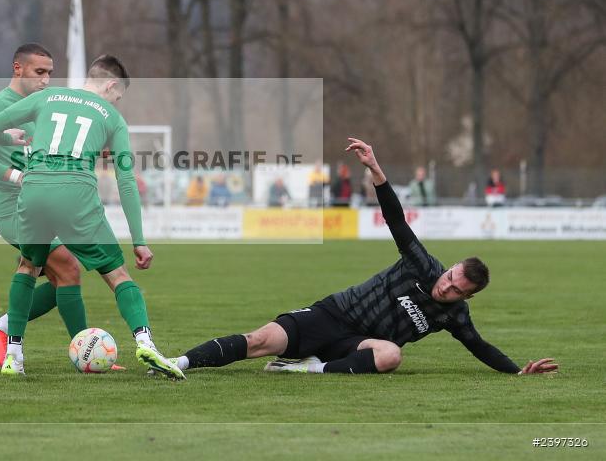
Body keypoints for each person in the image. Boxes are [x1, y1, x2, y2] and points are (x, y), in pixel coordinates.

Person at [171, 138, 557, 378]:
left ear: (466, 297)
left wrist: (517, 372)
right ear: (450, 266)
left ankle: (311, 369)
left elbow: (480, 346)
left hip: (356, 347)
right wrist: (376, 171)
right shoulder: (423, 265)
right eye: (450, 276)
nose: (446, 285)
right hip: (333, 315)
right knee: (259, 340)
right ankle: (179, 363)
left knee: (391, 356)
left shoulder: (454, 316)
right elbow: (395, 219)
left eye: (456, 289)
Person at [0, 54, 183, 379]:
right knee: (118, 276)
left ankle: (14, 356)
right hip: (75, 194)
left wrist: (12, 138)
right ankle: (146, 343)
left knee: (28, 267)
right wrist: (139, 242)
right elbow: (126, 180)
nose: (116, 103)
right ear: (112, 85)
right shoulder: (112, 118)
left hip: (33, 190)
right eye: (118, 97)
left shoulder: (46, 96)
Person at [0, 44, 120, 372]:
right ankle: (85, 352)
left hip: (46, 203)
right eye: (40, 72)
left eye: (50, 72)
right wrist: (17, 176)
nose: (46, 80)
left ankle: (3, 327)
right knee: (68, 267)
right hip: (13, 206)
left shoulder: (48, 105)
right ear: (17, 68)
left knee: (62, 276)